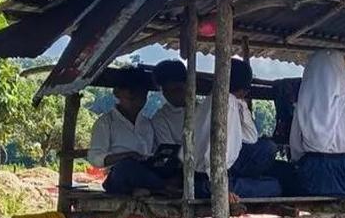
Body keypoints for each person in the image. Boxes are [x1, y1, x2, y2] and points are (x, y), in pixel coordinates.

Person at [288, 50, 345, 197]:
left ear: (310, 75)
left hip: (314, 180)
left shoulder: (302, 106)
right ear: (341, 74)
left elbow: (296, 150)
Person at [192, 58, 280, 198]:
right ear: (244, 90)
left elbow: (251, 138)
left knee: (267, 148)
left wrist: (242, 105)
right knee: (273, 187)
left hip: (211, 172)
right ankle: (208, 187)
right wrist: (219, 187)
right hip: (210, 178)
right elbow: (214, 150)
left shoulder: (216, 100)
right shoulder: (227, 103)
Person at [89, 67, 174, 196]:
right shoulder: (106, 122)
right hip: (120, 174)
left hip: (146, 172)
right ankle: (162, 188)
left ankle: (154, 188)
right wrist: (126, 155)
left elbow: (156, 151)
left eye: (142, 97)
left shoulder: (147, 124)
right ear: (117, 92)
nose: (138, 102)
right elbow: (95, 158)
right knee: (125, 167)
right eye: (132, 97)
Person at [149, 59, 189, 148]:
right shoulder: (160, 118)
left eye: (178, 90)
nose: (176, 95)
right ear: (163, 91)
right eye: (170, 92)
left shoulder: (202, 110)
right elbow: (169, 151)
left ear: (187, 86)